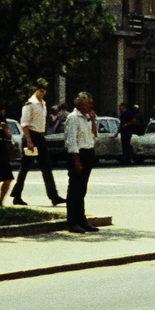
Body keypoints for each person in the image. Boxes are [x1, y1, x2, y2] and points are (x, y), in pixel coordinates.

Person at [14, 81, 63, 207]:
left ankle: (54, 196)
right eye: (40, 88)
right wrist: (29, 141)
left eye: (45, 89)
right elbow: (24, 124)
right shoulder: (29, 104)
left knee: (47, 167)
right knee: (25, 168)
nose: (43, 91)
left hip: (40, 136)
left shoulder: (43, 104)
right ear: (35, 89)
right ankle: (17, 195)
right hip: (31, 136)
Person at [63, 92, 99, 234]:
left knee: (82, 190)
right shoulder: (73, 118)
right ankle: (72, 222)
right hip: (78, 155)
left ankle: (82, 220)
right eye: (89, 103)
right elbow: (72, 141)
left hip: (88, 153)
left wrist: (94, 121)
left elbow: (94, 136)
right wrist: (76, 161)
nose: (91, 105)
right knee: (75, 190)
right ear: (81, 103)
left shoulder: (85, 118)